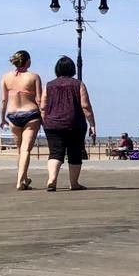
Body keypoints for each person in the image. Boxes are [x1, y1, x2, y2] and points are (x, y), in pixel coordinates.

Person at [38, 56, 96, 191]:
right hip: (74, 123)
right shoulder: (78, 84)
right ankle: (74, 183)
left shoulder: (49, 85)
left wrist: (44, 122)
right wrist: (92, 124)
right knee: (75, 153)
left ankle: (52, 179)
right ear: (73, 69)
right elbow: (85, 106)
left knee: (55, 153)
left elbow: (43, 106)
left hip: (52, 124)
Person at [0, 50, 43, 190]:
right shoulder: (34, 77)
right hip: (30, 114)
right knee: (25, 150)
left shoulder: (6, 77)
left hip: (13, 115)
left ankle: (24, 178)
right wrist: (44, 116)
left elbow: (3, 100)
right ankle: (20, 182)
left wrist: (2, 118)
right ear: (28, 61)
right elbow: (39, 99)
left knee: (20, 150)